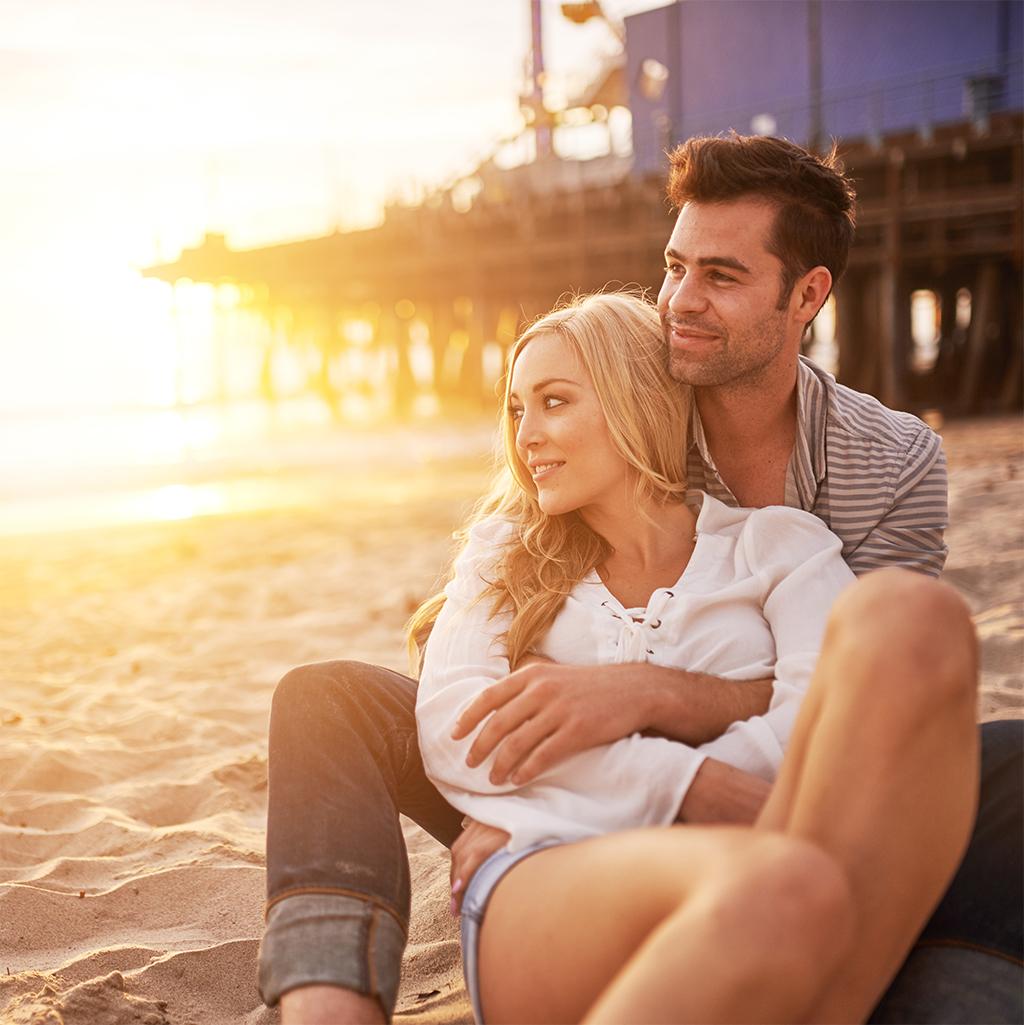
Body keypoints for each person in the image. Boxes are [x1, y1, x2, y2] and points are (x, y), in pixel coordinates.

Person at [259, 134, 1023, 1025]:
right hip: (569, 777)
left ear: (808, 293)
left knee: (982, 727)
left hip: (776, 785)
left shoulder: (868, 477)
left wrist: (640, 693)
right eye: (673, 267)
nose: (680, 304)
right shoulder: (608, 427)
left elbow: (863, 702)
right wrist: (587, 791)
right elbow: (466, 684)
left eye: (722, 277)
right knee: (331, 699)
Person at [411, 290, 977, 1024]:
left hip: (770, 855)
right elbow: (460, 729)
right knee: (785, 885)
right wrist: (685, 783)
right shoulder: (504, 556)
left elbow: (819, 724)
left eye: (553, 402)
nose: (527, 437)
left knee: (915, 616)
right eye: (517, 410)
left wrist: (593, 764)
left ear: (634, 399)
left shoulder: (777, 545)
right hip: (555, 875)